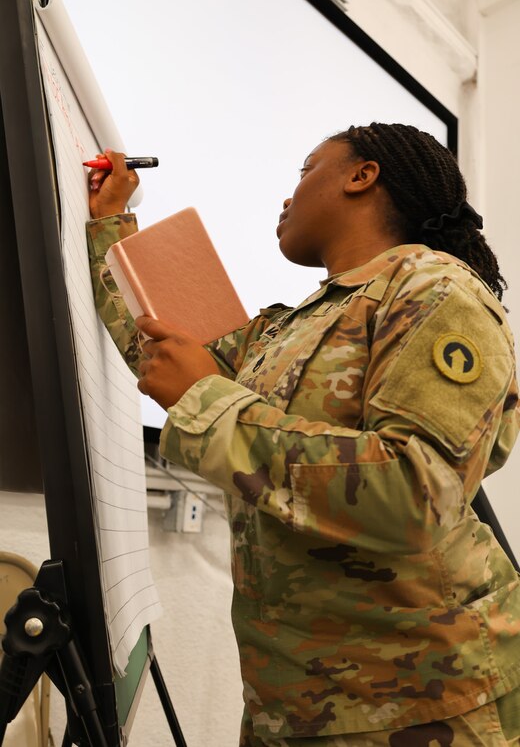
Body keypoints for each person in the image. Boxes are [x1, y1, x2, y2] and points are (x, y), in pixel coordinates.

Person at [87, 123, 520, 746]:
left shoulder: (437, 288)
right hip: (298, 713)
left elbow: (412, 491)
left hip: (424, 709)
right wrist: (110, 222)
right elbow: (166, 351)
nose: (287, 198)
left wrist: (207, 400)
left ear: (361, 175)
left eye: (304, 170)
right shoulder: (293, 328)